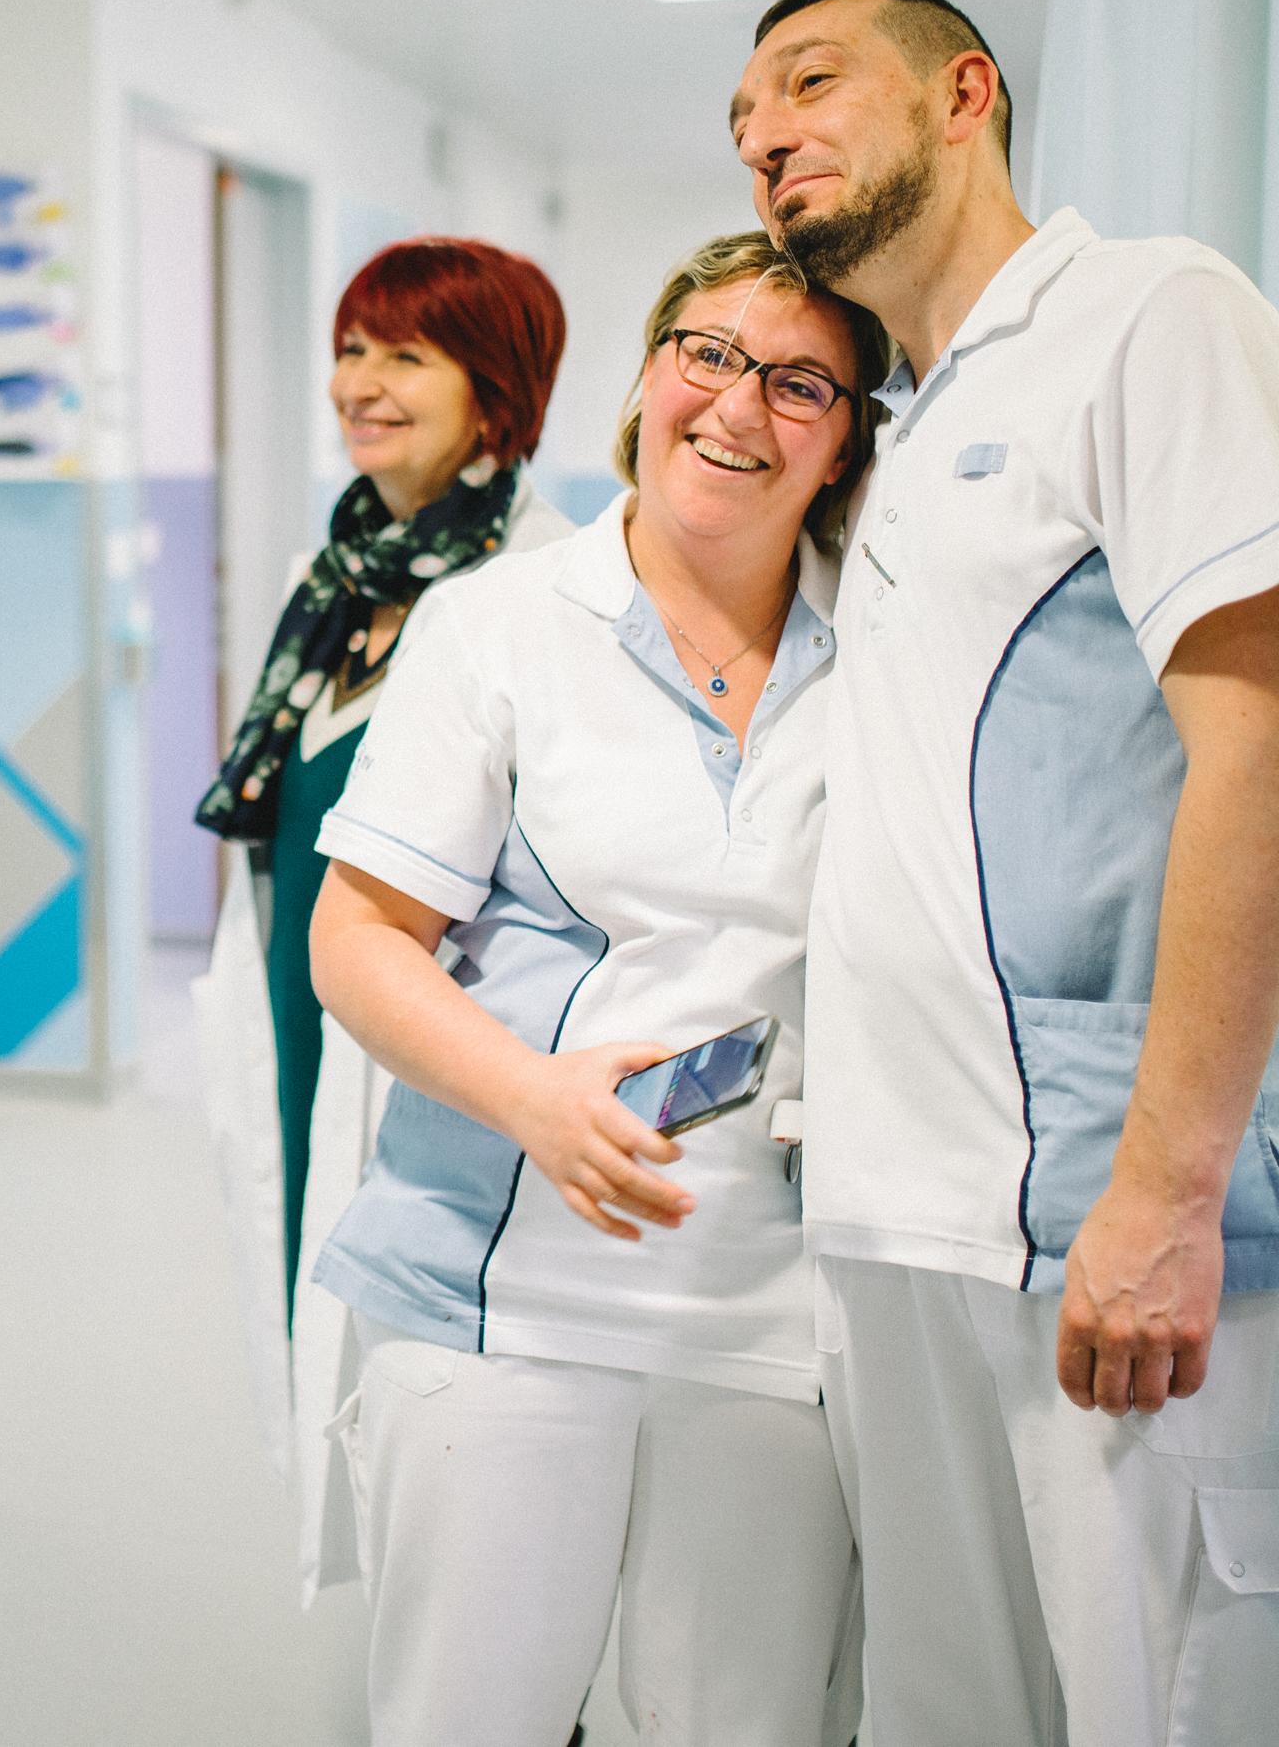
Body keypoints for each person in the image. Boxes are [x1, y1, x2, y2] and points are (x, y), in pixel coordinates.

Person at [729, 0, 1279, 1745]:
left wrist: (1168, 1199)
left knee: (1175, 1710)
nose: (768, 133)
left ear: (967, 94)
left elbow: (1263, 746)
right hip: (915, 1214)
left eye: (809, 82)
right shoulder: (908, 435)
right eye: (741, 122)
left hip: (1135, 1223)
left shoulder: (1150, 316)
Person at [305, 232, 883, 1747]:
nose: (738, 407)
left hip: (777, 1317)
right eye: (706, 353)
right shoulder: (497, 625)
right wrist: (533, 1100)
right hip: (502, 1294)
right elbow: (356, 938)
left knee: (746, 1727)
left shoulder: (894, 648)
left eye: (800, 382)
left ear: (848, 440)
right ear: (644, 376)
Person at [190, 236, 573, 1587]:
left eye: (408, 354)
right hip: (304, 1026)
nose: (363, 382)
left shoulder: (547, 594)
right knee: (331, 1348)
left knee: (466, 1426)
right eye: (352, 348)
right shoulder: (330, 581)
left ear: (498, 390)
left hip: (434, 1055)